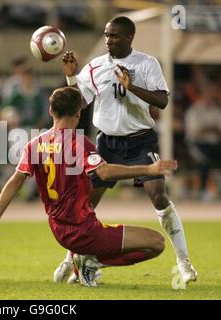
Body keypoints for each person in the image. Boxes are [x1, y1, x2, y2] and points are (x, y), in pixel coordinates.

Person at [0, 86, 178, 287]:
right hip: (85, 231)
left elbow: (14, 181)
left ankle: (83, 260)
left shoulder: (34, 144)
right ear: (79, 113)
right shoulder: (78, 143)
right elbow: (104, 172)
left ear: (51, 110)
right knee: (156, 243)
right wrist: (149, 170)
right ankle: (92, 262)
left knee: (120, 238)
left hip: (58, 230)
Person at [58, 16, 197, 284]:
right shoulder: (95, 66)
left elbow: (162, 100)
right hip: (106, 143)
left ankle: (184, 262)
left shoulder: (147, 63)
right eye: (107, 35)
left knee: (158, 196)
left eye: (114, 36)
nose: (108, 40)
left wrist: (131, 86)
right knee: (86, 203)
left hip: (140, 140)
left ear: (129, 38)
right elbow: (78, 102)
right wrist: (71, 75)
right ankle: (71, 259)